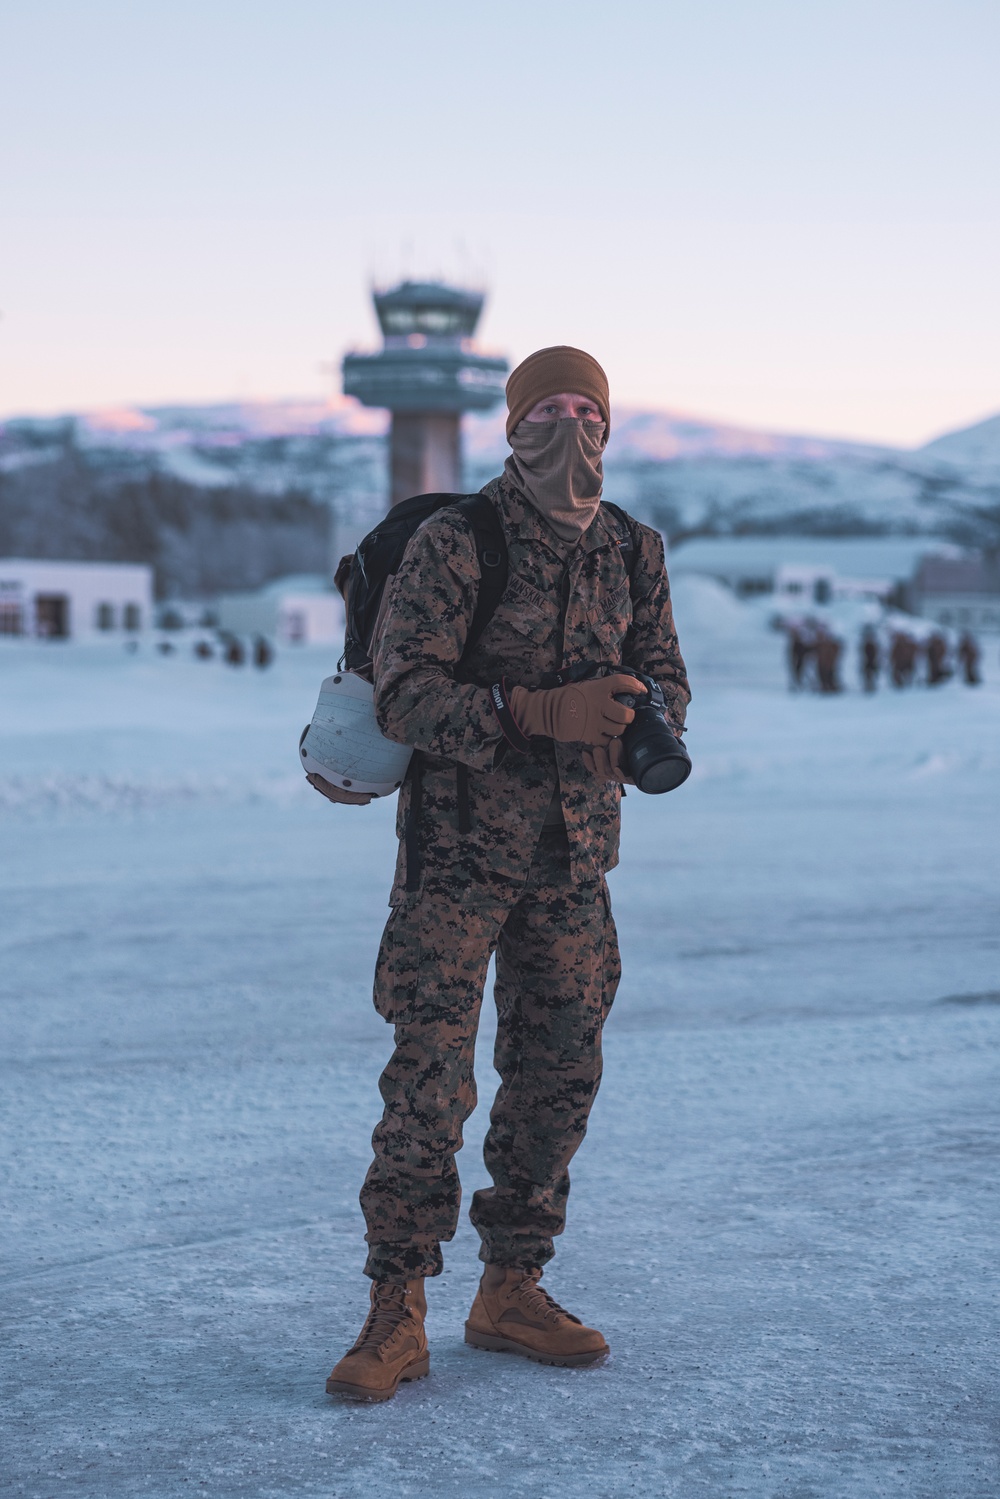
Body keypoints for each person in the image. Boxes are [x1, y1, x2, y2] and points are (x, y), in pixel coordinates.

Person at [311, 346, 690, 1401]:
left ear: (608, 426)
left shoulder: (632, 547)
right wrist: (529, 711)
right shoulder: (456, 540)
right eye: (548, 409)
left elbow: (667, 669)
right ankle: (397, 1308)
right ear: (512, 423)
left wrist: (640, 717)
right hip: (457, 857)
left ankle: (511, 1286)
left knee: (558, 1077)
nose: (570, 427)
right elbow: (405, 696)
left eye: (588, 409)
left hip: (574, 860)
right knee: (429, 1083)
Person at [860, 626, 880, 692]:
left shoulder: (873, 645)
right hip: (867, 661)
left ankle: (871, 685)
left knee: (871, 673)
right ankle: (868, 685)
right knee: (867, 674)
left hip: (872, 661)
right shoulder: (865, 645)